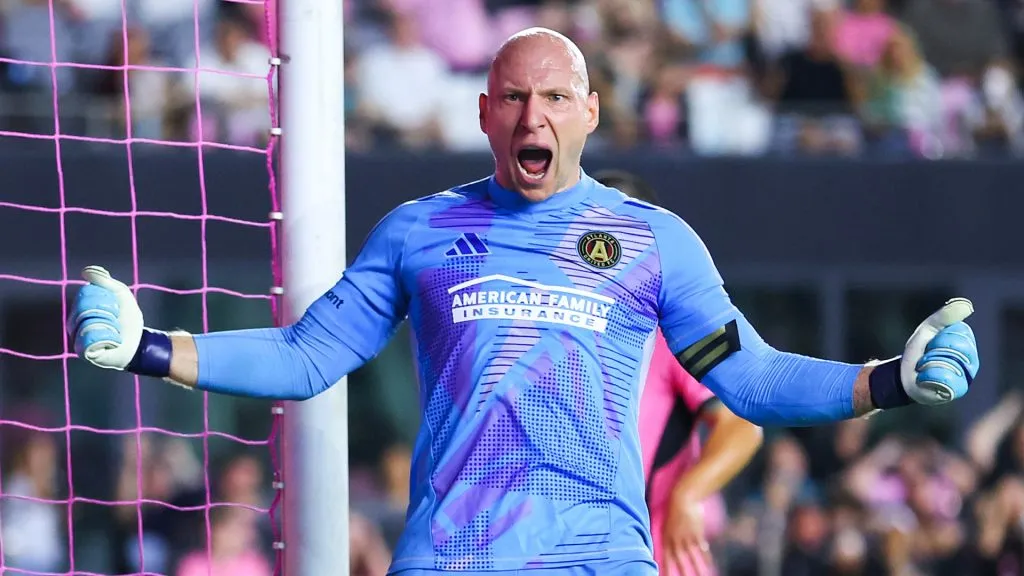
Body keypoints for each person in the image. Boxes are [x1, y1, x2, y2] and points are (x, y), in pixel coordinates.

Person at [67, 27, 979, 576]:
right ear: (483, 113)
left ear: (589, 112)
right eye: (512, 97)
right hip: (452, 556)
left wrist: (890, 380)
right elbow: (308, 356)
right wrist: (151, 346)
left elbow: (750, 380)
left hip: (599, 555)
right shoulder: (419, 232)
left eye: (553, 97)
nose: (532, 116)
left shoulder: (654, 242)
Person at [594, 170, 764, 576]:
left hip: (658, 557)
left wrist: (688, 495)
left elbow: (741, 426)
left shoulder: (670, 335)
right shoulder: (554, 337)